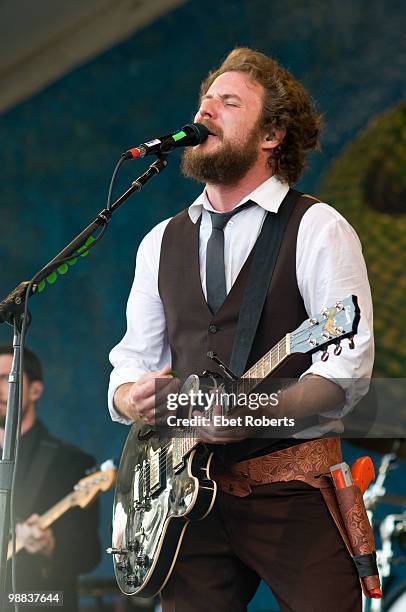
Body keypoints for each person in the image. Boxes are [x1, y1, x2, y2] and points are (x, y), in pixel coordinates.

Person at [108, 48, 374, 611]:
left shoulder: (318, 227)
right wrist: (134, 396)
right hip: (182, 504)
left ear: (272, 134)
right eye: (205, 102)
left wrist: (253, 415)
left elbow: (344, 371)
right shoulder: (161, 241)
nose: (206, 112)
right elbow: (130, 364)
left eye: (229, 103)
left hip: (289, 489)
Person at [0, 345, 101, 611]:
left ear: (35, 390)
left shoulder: (71, 463)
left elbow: (89, 554)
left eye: (6, 379)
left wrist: (49, 545)